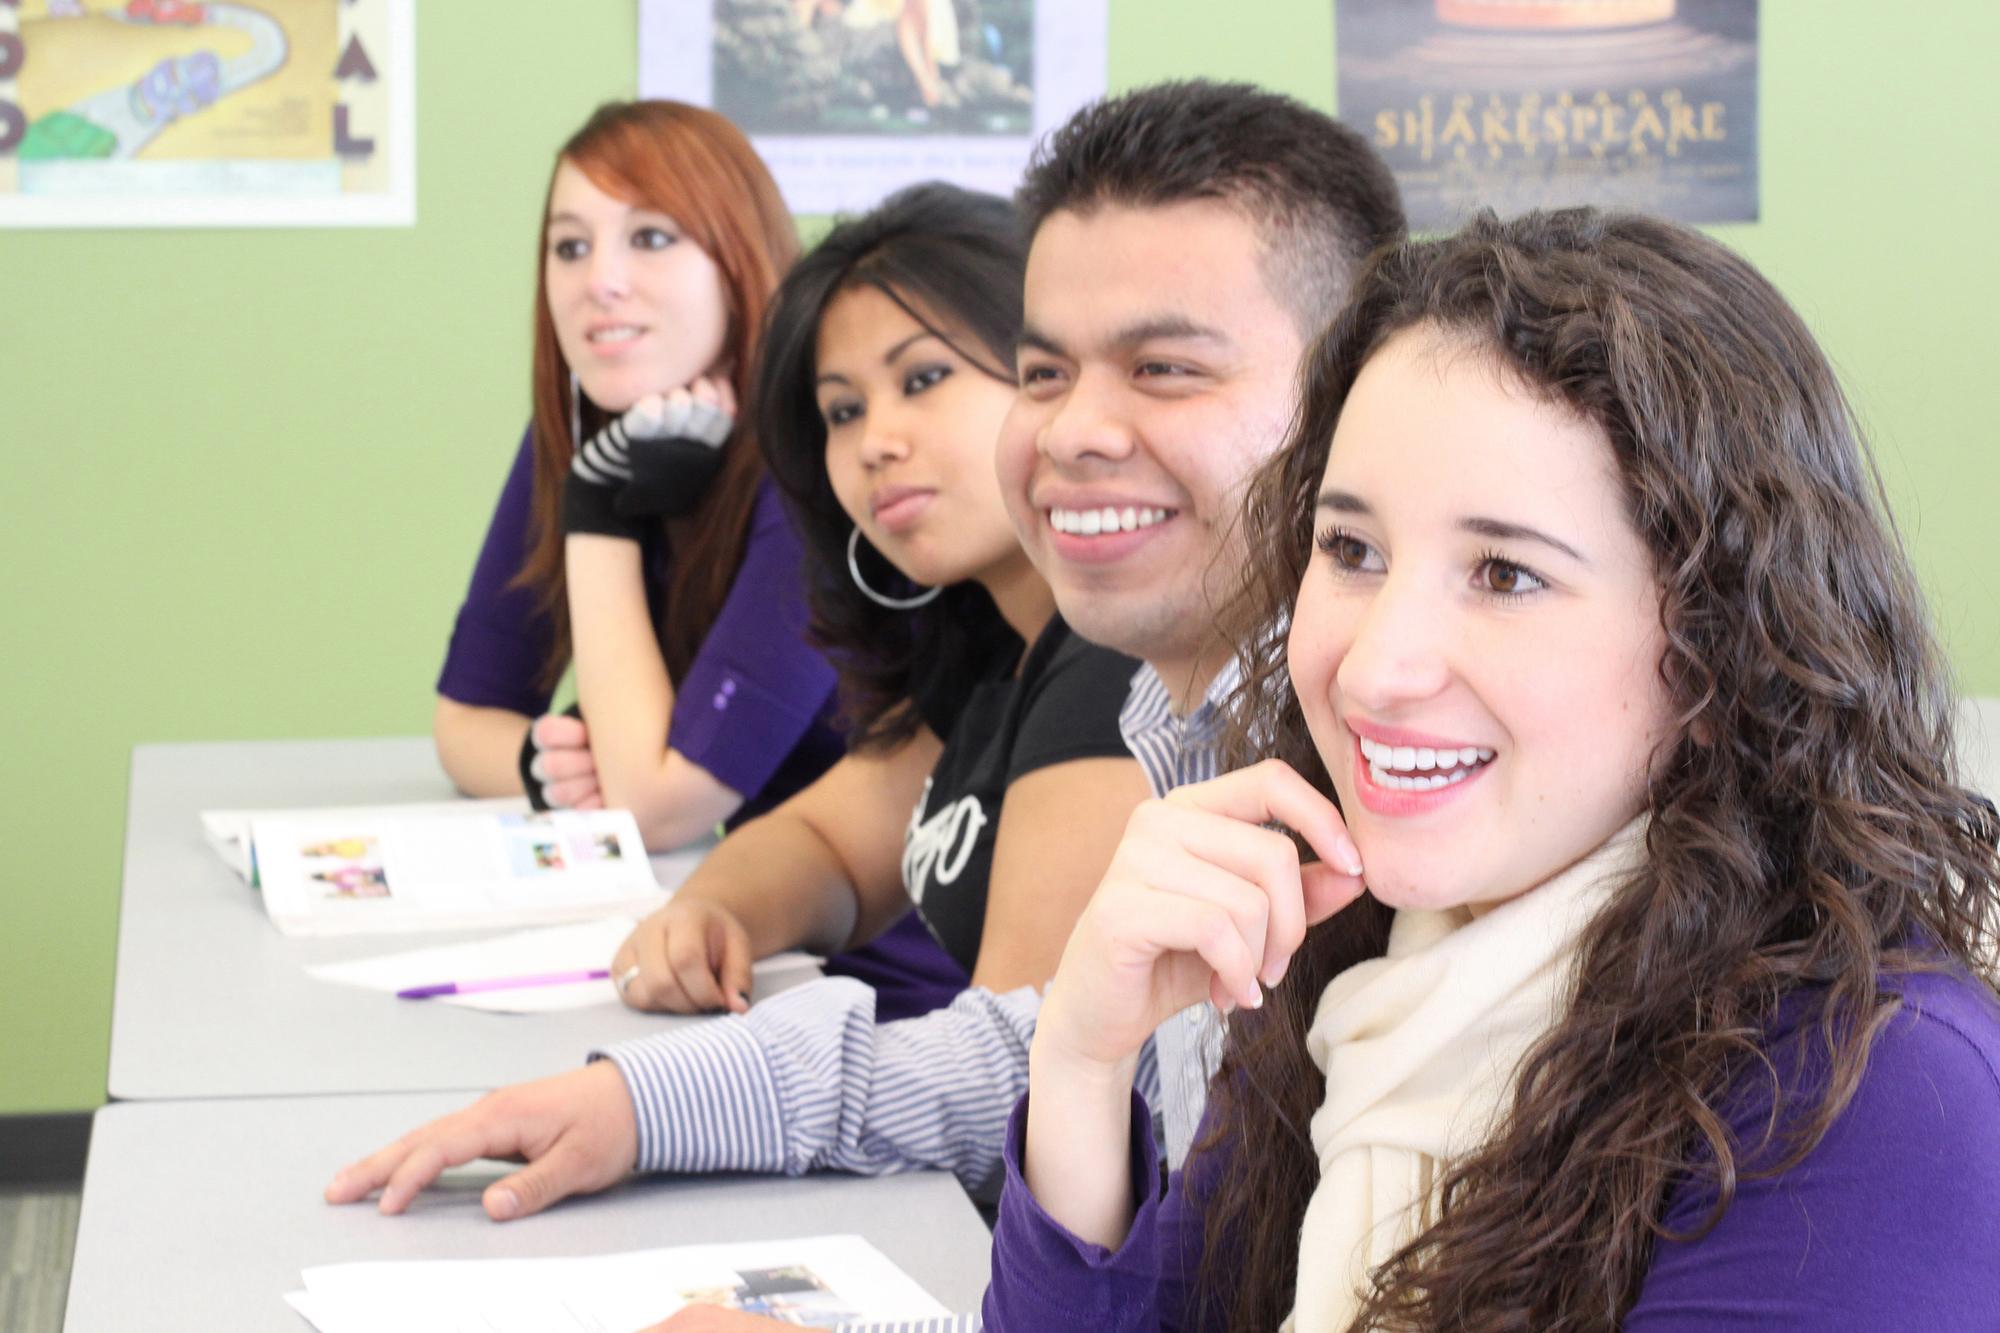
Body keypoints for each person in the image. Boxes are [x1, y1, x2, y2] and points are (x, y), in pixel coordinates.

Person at [987, 208, 2000, 1332]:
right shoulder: (1379, 958)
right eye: (1351, 550)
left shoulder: (1873, 1088)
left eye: (1505, 575)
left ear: (1724, 647)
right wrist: (1079, 1056)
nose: (1374, 670)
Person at [324, 183, 1150, 1224]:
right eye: (841, 409)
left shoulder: (1115, 664)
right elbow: (828, 845)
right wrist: (717, 909)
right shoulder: (992, 633)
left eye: (922, 380)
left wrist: (644, 1107)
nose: (873, 442)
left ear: (1044, 383)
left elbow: (1001, 1076)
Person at [996, 79, 1405, 1164]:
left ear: (1350, 399)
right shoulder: (1164, 703)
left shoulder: (1398, 756)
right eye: (1041, 372)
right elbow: (1077, 1041)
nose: (1071, 430)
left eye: (1162, 370)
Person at [432, 100, 838, 847]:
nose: (600, 281)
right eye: (569, 247)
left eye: (650, 237)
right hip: (718, 906)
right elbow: (463, 721)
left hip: (880, 953)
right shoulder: (585, 430)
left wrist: (597, 511)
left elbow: (655, 809)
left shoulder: (818, 461)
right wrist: (543, 768)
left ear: (739, 259)